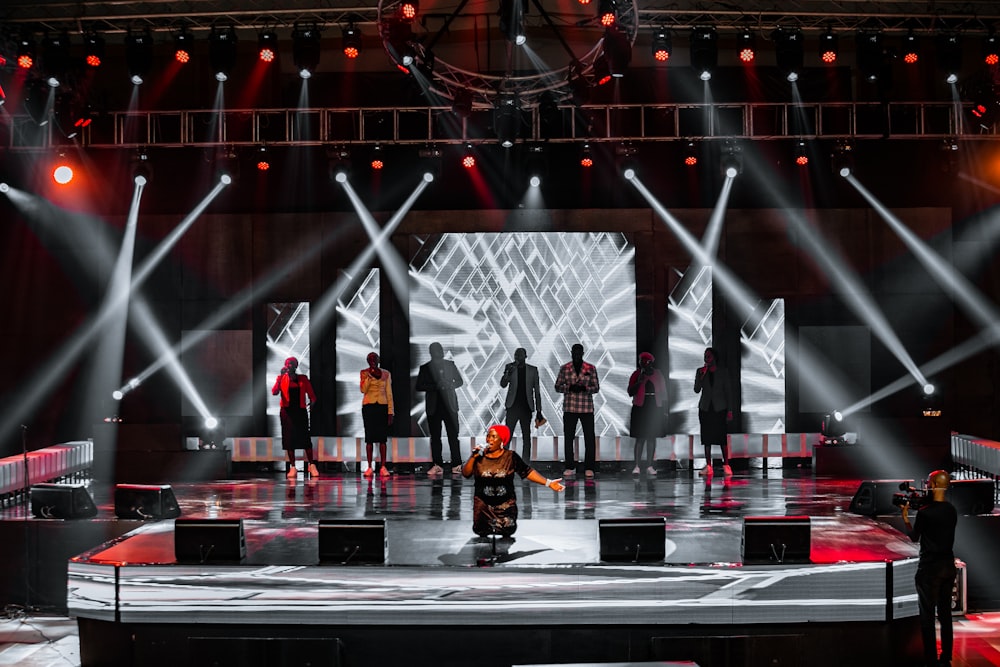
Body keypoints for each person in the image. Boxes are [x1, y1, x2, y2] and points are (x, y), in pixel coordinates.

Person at [461, 424, 564, 538]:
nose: (489, 439)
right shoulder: (479, 456)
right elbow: (466, 474)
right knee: (481, 530)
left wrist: (548, 483)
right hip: (483, 508)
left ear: (502, 441)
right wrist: (473, 456)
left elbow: (527, 472)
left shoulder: (510, 457)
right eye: (488, 436)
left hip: (505, 507)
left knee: (507, 529)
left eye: (494, 436)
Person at [901, 470, 958, 667]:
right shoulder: (951, 510)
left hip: (930, 569)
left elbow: (915, 537)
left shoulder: (925, 513)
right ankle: (947, 657)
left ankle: (930, 659)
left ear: (932, 485)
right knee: (945, 615)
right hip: (948, 566)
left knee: (927, 615)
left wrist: (906, 517)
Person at [416, 342, 465, 476]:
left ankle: (457, 464)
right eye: (437, 350)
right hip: (434, 406)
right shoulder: (425, 368)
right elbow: (419, 386)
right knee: (435, 437)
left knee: (453, 436)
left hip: (450, 406)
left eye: (440, 349)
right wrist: (436, 386)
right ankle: (437, 465)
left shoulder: (450, 365)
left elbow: (460, 381)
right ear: (431, 352)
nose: (439, 352)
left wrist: (449, 384)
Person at [554, 343, 600, 479]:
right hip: (570, 407)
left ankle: (589, 467)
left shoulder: (590, 368)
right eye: (574, 352)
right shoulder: (565, 368)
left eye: (579, 352)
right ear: (571, 352)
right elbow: (557, 386)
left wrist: (585, 388)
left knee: (589, 438)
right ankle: (570, 466)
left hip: (586, 407)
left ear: (583, 353)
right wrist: (569, 388)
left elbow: (596, 387)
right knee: (568, 437)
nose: (577, 354)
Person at [271, 356, 319, 479]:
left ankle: (311, 464)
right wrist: (280, 377)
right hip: (287, 412)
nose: (289, 365)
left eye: (291, 363)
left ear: (296, 366)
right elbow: (274, 392)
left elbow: (313, 396)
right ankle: (293, 467)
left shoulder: (303, 379)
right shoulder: (281, 378)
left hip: (300, 412)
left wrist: (311, 406)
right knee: (289, 439)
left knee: (305, 439)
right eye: (287, 363)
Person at [693, 346, 734, 478]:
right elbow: (696, 389)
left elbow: (728, 392)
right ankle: (708, 465)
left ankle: (726, 464)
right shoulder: (700, 371)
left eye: (709, 356)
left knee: (721, 437)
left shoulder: (723, 372)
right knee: (707, 438)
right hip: (705, 408)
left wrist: (730, 410)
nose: (706, 358)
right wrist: (701, 376)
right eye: (705, 356)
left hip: (719, 408)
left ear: (714, 358)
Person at [500, 347, 544, 462]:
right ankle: (504, 462)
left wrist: (539, 410)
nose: (518, 357)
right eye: (516, 355)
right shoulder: (509, 367)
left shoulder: (532, 370)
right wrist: (508, 372)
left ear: (525, 356)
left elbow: (537, 391)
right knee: (507, 436)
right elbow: (503, 384)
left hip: (526, 407)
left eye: (520, 355)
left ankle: (525, 463)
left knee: (526, 436)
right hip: (512, 406)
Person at [627, 351, 667, 477]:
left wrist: (664, 411)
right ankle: (637, 465)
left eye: (646, 361)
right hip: (640, 407)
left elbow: (663, 392)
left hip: (654, 407)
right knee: (640, 437)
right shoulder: (636, 374)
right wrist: (639, 382)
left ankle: (650, 465)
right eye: (641, 361)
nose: (643, 363)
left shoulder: (658, 374)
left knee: (651, 437)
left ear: (651, 362)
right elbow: (630, 391)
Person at [360, 352, 394, 479]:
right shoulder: (364, 373)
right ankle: (369, 466)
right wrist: (370, 375)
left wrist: (390, 412)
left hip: (382, 406)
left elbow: (389, 393)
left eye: (375, 358)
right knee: (369, 438)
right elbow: (363, 389)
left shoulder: (386, 373)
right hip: (369, 406)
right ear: (367, 361)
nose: (373, 360)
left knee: (382, 439)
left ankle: (383, 466)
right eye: (370, 359)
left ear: (379, 360)